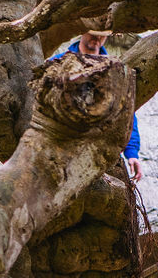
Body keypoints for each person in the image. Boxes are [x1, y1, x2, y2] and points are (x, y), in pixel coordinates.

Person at [50, 29, 142, 181]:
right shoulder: (57, 63)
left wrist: (132, 153)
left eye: (103, 34)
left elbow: (127, 112)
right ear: (83, 30)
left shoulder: (115, 69)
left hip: (102, 152)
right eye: (94, 33)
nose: (98, 37)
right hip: (61, 147)